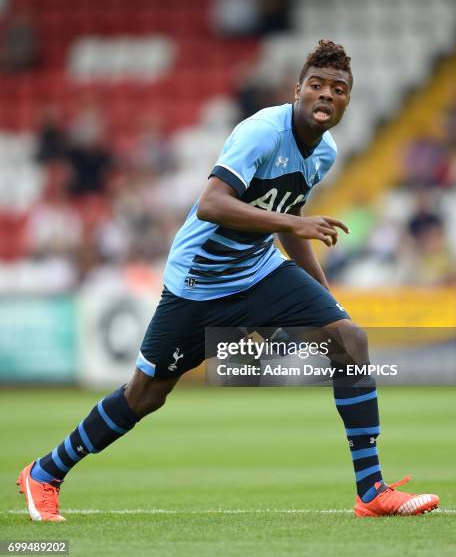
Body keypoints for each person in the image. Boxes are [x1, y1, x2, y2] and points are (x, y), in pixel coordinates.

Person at [17, 40, 439, 520]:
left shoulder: (325, 153)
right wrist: (295, 226)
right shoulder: (260, 132)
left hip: (257, 270)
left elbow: (287, 216)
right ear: (297, 91)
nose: (326, 94)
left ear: (347, 101)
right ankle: (45, 472)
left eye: (338, 89)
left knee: (350, 341)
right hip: (198, 283)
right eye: (316, 85)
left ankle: (372, 491)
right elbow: (211, 204)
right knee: (146, 396)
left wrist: (324, 298)